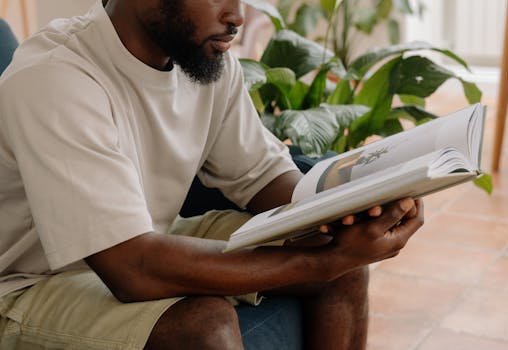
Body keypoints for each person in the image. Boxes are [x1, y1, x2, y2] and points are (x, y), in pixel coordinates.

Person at [0, 0, 424, 349]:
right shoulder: (55, 78)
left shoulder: (203, 60)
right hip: (28, 285)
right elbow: (132, 268)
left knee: (340, 255)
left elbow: (261, 176)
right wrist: (320, 263)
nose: (237, 15)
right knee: (204, 326)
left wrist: (356, 203)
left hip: (148, 233)